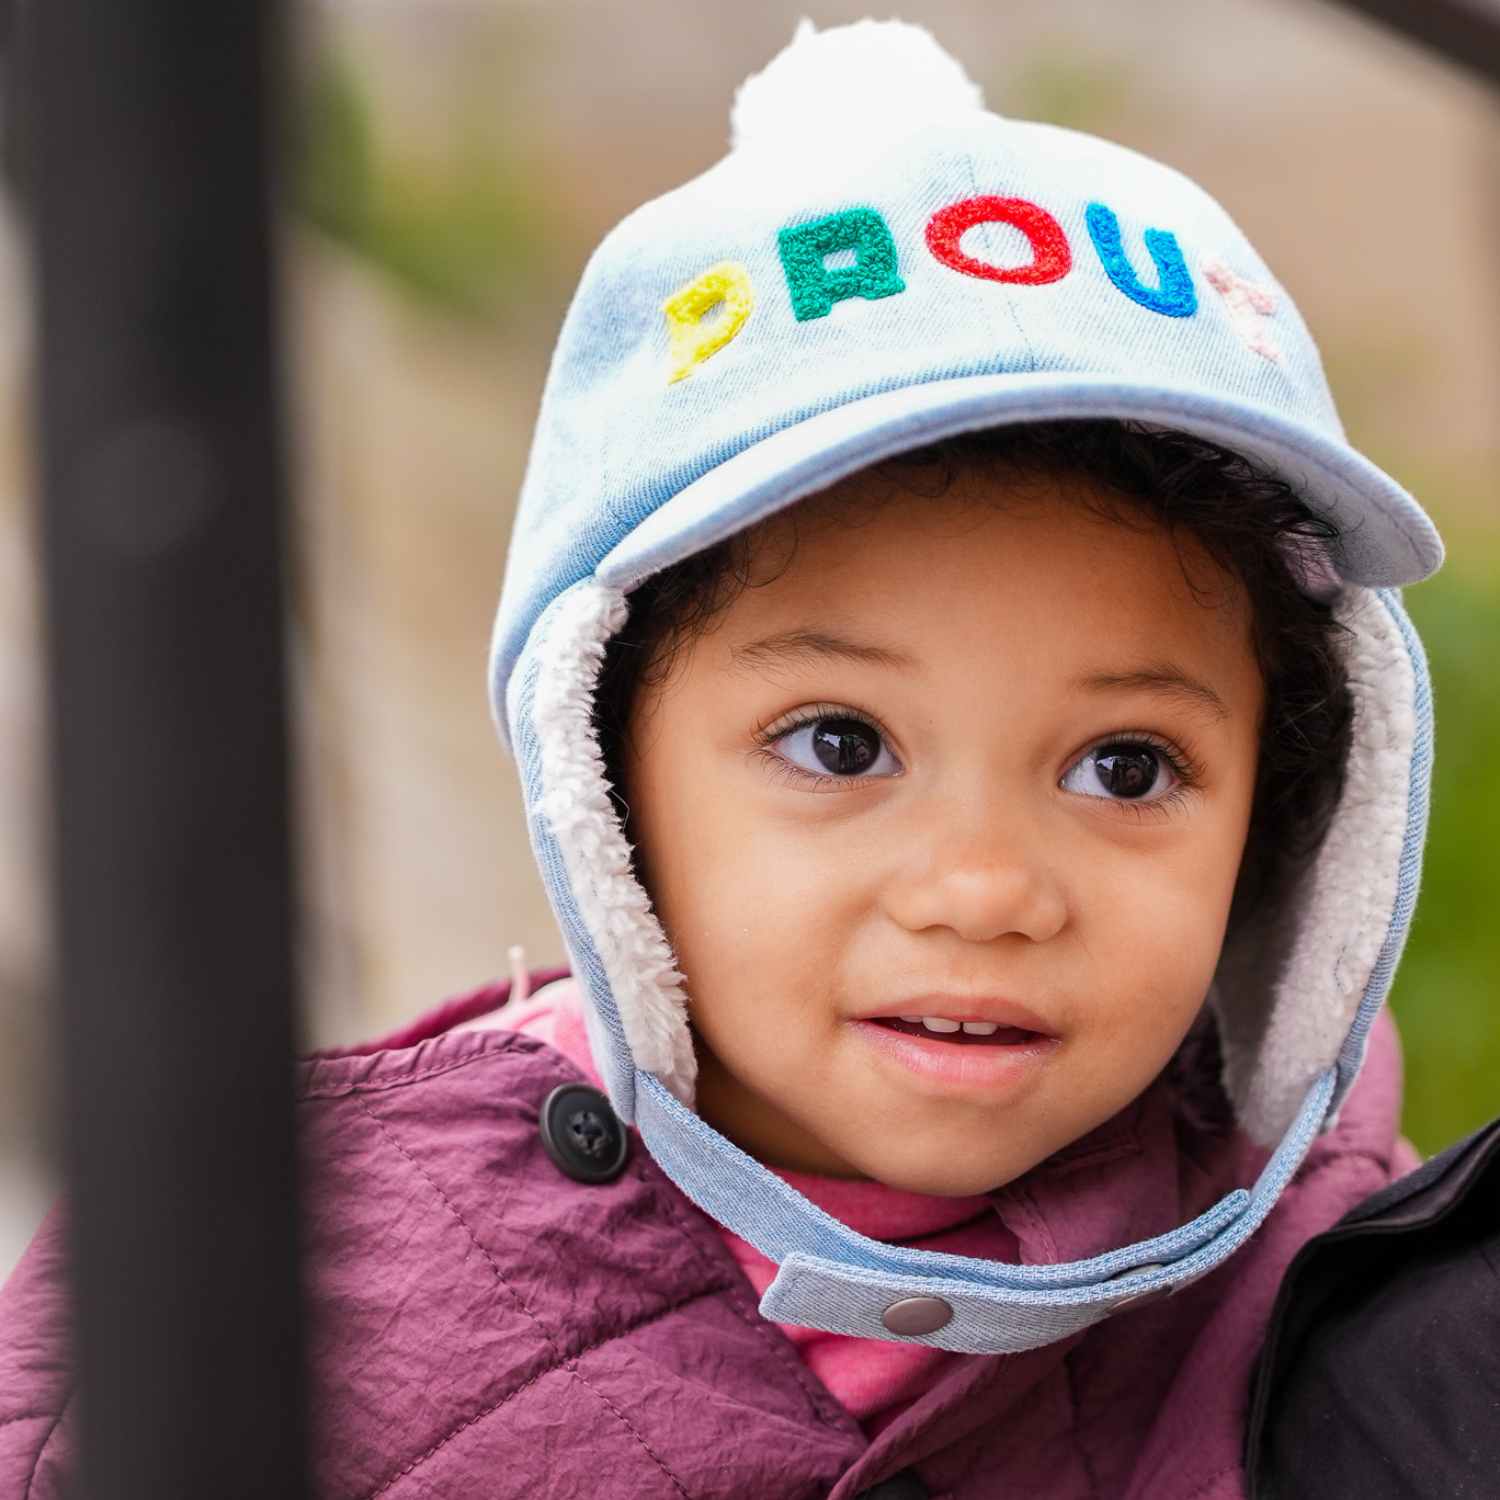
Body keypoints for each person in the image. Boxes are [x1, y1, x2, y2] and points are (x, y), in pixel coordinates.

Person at [0, 18, 1467, 1499]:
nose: (983, 890)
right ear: (604, 778)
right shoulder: (273, 1277)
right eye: (842, 744)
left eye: (1128, 768)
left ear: (1288, 817)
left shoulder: (1363, 1289)